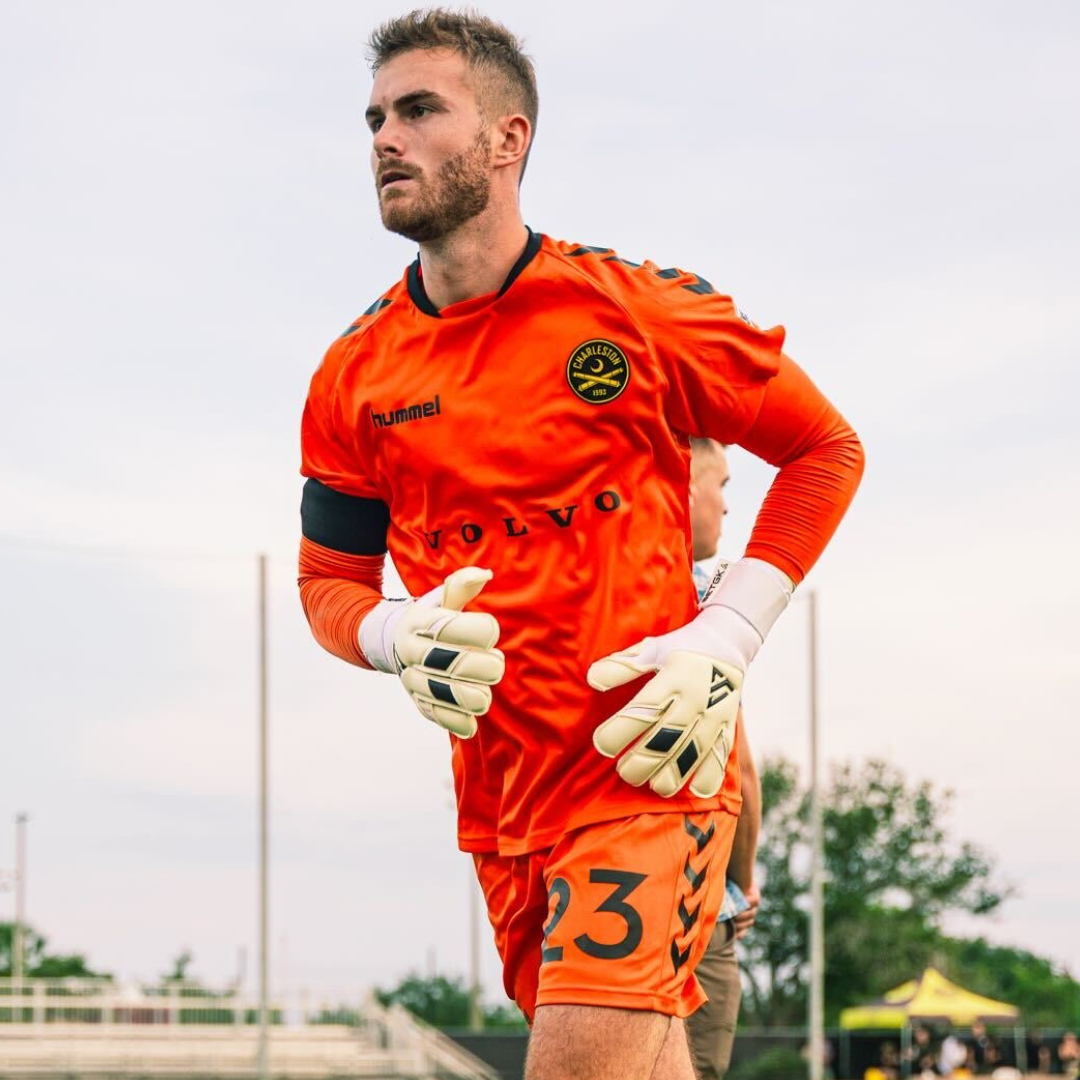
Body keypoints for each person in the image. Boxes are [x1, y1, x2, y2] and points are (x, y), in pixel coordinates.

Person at [297, 10, 864, 1080]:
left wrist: (728, 635)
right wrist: (390, 635)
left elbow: (825, 450)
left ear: (507, 139)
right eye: (374, 118)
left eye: (418, 110)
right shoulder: (351, 376)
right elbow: (329, 581)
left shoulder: (637, 312)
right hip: (501, 798)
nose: (385, 138)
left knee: (579, 1063)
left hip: (646, 772)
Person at [684, 439, 762, 1080]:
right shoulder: (696, 606)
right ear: (682, 489)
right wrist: (741, 882)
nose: (728, 506)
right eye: (722, 485)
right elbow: (737, 765)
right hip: (690, 888)